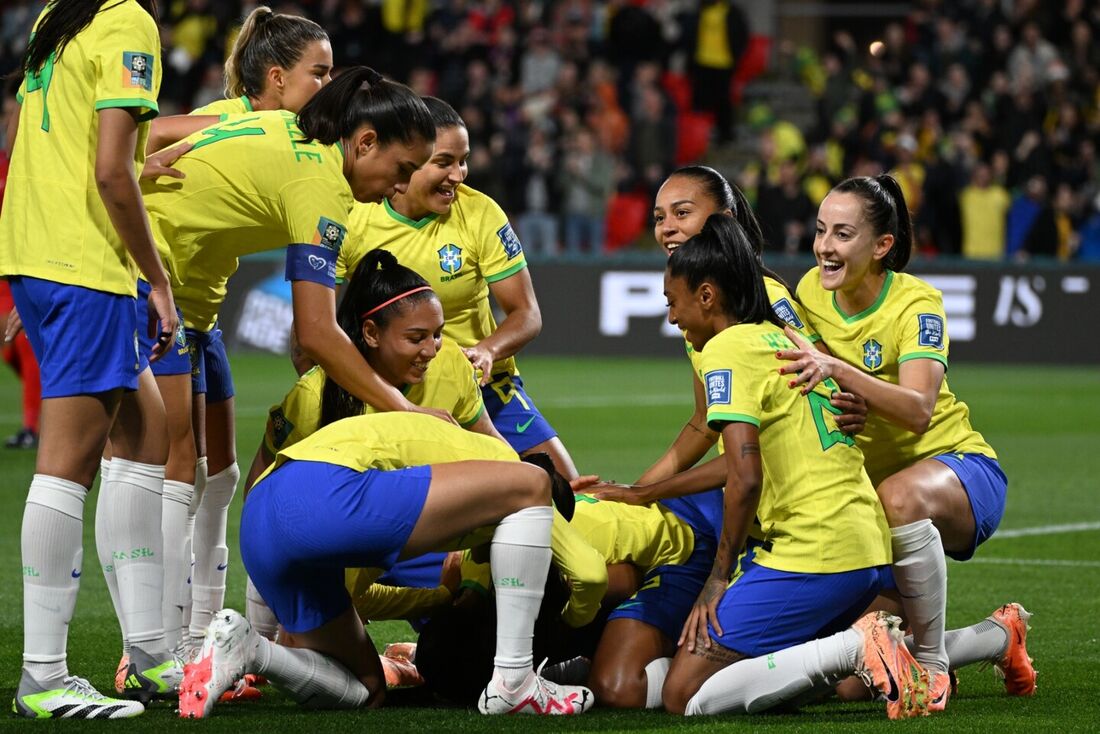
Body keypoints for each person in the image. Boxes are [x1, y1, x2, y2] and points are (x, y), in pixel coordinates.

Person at [136, 67, 439, 657]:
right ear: (365, 141)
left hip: (188, 296)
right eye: (402, 170)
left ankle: (188, 641)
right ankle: (152, 652)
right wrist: (403, 409)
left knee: (201, 472)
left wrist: (130, 165)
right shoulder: (321, 185)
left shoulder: (284, 130)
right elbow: (318, 333)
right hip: (148, 280)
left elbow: (149, 131)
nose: (401, 188)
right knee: (163, 470)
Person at [651, 215, 921, 719]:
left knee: (682, 694)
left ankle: (854, 647)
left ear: (707, 296)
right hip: (866, 545)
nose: (672, 318)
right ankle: (874, 643)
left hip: (817, 552)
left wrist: (718, 579)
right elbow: (747, 461)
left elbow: (744, 476)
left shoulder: (726, 349)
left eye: (674, 302)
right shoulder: (783, 341)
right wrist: (648, 491)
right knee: (817, 682)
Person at [131, 6, 336, 662]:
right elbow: (143, 131)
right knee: (178, 466)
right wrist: (137, 168)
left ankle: (197, 639)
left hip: (202, 312)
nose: (328, 87)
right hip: (154, 295)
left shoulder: (292, 142)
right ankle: (152, 650)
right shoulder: (238, 123)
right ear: (277, 80)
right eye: (319, 73)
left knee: (218, 475)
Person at [0, 0, 182, 718]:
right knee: (69, 460)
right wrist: (158, 280)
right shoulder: (127, 21)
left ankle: (149, 655)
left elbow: (48, 145)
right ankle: (43, 677)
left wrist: (142, 162)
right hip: (83, 266)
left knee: (148, 430)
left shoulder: (59, 14)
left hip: (44, 253)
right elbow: (110, 172)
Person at [178, 413, 595, 718]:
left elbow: (355, 584)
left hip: (263, 514)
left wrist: (441, 594)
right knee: (532, 486)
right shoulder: (506, 467)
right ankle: (515, 681)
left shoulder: (461, 481)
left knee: (366, 689)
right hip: (321, 494)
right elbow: (589, 573)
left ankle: (250, 651)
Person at [776, 174, 1010, 709]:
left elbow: (917, 409)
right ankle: (998, 637)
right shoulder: (811, 290)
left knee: (900, 496)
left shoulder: (917, 304)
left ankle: (933, 669)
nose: (824, 247)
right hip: (879, 511)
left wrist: (838, 369)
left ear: (883, 246)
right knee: (855, 680)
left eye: (842, 234)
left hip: (959, 473)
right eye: (820, 231)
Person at [337, 97, 580, 478]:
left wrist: (487, 351)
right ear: (410, 159)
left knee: (566, 487)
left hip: (486, 388)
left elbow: (526, 313)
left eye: (462, 160)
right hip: (395, 394)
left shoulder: (480, 213)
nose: (459, 175)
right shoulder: (354, 216)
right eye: (444, 162)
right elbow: (323, 324)